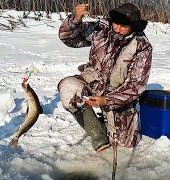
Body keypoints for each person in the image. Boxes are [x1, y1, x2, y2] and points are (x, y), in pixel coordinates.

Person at [58, 3, 152, 152]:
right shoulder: (101, 29)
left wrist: (107, 100)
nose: (118, 29)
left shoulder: (142, 46)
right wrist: (75, 19)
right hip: (92, 82)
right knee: (68, 89)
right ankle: (98, 135)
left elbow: (136, 86)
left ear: (133, 27)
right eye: (116, 23)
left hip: (117, 94)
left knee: (124, 143)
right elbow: (68, 38)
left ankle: (111, 119)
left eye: (124, 26)